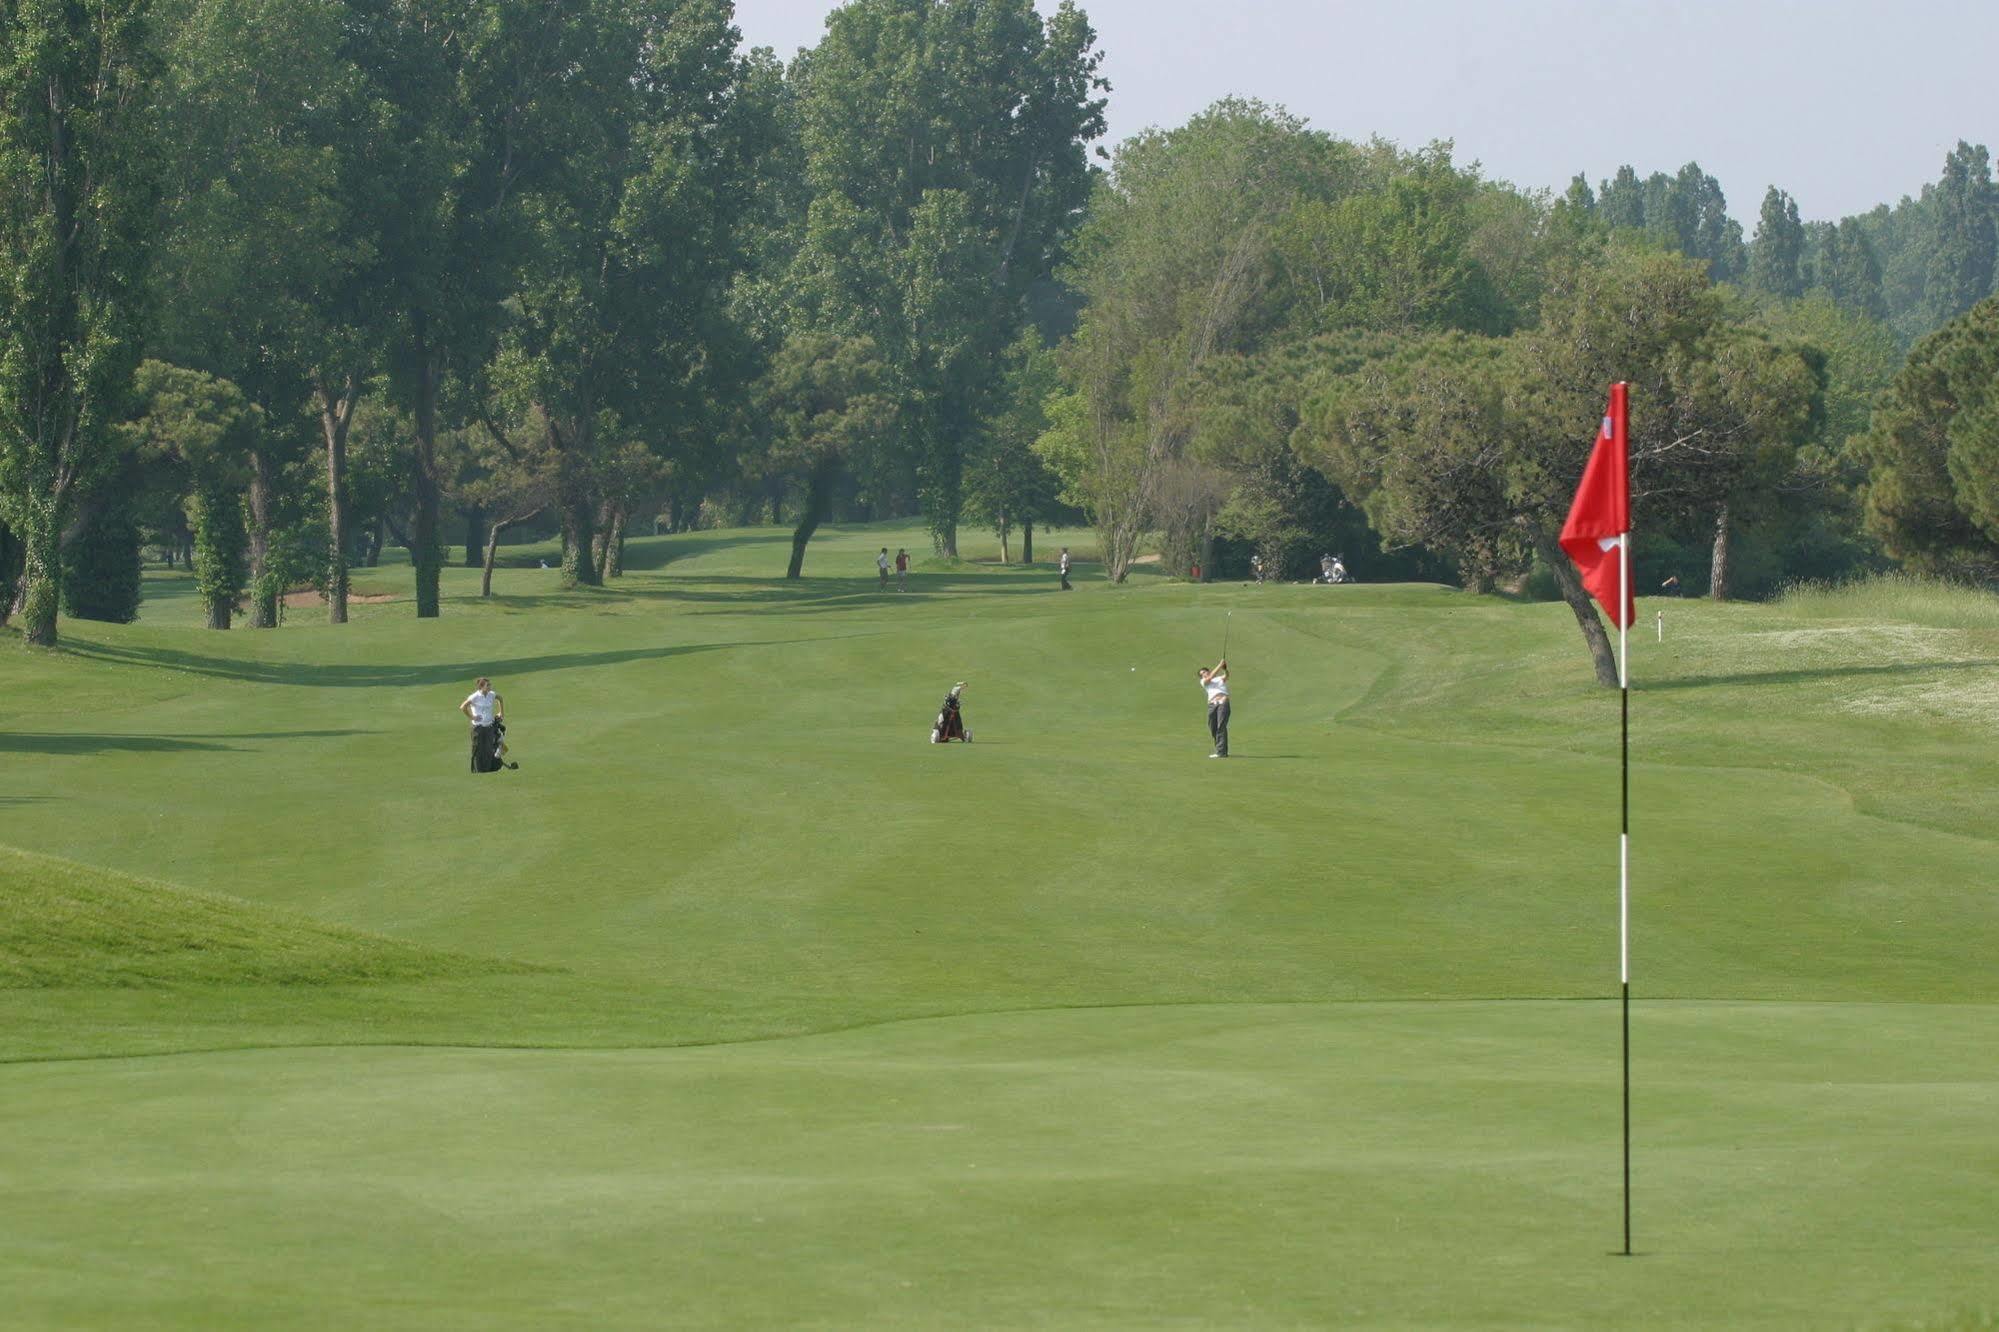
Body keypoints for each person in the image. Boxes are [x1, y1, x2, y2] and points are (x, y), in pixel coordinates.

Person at [460, 677, 517, 772]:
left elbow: (500, 698)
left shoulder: (491, 694)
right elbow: (463, 707)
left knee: (489, 748)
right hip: (478, 727)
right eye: (488, 685)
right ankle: (478, 770)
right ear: (481, 687)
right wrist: (472, 717)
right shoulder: (475, 697)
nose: (490, 686)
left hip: (489, 726)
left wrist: (501, 713)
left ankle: (490, 768)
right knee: (477, 749)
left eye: (490, 684)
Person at [1197, 658, 1230, 758]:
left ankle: (1221, 752)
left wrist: (1225, 669)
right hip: (1212, 705)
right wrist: (1220, 665)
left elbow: (1226, 676)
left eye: (1205, 672)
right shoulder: (1203, 681)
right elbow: (1210, 678)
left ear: (1208, 671)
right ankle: (1219, 749)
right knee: (1213, 727)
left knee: (1221, 726)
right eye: (1202, 674)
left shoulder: (1218, 678)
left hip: (1223, 702)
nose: (1204, 674)